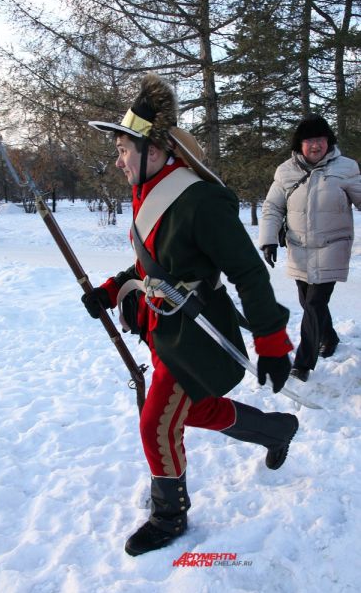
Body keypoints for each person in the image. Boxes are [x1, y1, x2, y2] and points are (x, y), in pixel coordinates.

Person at [84, 73, 298, 557]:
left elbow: (249, 272)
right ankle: (276, 430)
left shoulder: (199, 200)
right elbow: (151, 263)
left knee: (157, 422)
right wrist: (112, 289)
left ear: (154, 153)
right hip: (163, 329)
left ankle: (169, 515)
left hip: (197, 334)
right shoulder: (148, 191)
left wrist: (271, 341)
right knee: (193, 411)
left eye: (124, 151)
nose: (118, 161)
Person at [259, 114, 361, 383]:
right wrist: (268, 239)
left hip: (332, 247)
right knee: (308, 302)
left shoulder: (346, 168)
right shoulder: (285, 171)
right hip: (299, 249)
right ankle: (329, 337)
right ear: (299, 144)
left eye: (321, 140)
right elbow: (272, 207)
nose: (316, 145)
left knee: (315, 304)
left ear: (329, 141)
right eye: (310, 141)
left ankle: (303, 363)